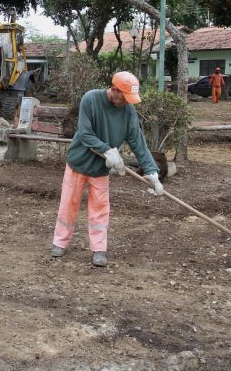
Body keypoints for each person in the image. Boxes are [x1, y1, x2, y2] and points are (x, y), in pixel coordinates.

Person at [50, 71, 164, 267]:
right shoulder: (90, 99)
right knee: (69, 204)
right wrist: (108, 150)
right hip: (78, 162)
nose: (127, 102)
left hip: (101, 169)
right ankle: (60, 242)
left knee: (100, 210)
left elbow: (138, 142)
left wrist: (151, 172)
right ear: (114, 90)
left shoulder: (128, 111)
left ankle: (99, 249)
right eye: (125, 96)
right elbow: (85, 133)